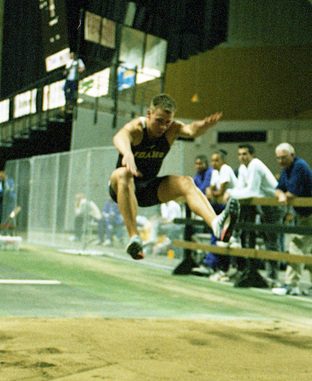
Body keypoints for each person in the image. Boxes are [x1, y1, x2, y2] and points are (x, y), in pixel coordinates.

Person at [109, 94, 239, 260]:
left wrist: (204, 125)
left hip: (148, 189)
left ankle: (217, 225)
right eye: (159, 120)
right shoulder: (137, 128)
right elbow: (119, 136)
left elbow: (192, 130)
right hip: (123, 188)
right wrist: (127, 153)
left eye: (167, 121)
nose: (163, 126)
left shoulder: (172, 129)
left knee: (187, 182)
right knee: (123, 173)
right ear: (149, 114)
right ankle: (134, 238)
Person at [272, 142, 312, 297]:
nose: (280, 161)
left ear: (292, 155)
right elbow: (278, 189)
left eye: (283, 157)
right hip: (303, 216)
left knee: (296, 246)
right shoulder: (286, 169)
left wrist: (284, 195)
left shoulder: (299, 166)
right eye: (278, 158)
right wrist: (281, 194)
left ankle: (291, 285)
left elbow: (292, 194)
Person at [227, 143, 282, 287]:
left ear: (252, 155)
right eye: (239, 154)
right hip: (261, 205)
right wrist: (231, 193)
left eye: (245, 154)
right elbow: (240, 188)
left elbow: (251, 191)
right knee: (262, 238)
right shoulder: (243, 168)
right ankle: (247, 269)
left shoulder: (255, 165)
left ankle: (273, 278)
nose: (242, 157)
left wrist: (231, 194)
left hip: (273, 205)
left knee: (271, 241)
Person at [204, 150, 239, 280]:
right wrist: (209, 190)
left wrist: (211, 192)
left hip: (234, 209)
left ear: (223, 161)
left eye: (217, 160)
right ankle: (217, 267)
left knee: (225, 239)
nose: (214, 163)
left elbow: (219, 191)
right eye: (212, 160)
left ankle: (227, 268)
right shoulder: (214, 172)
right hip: (221, 209)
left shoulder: (225, 169)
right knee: (218, 237)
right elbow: (211, 188)